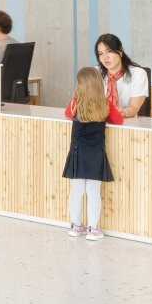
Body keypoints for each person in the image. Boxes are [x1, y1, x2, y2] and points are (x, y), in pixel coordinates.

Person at [61, 66, 115, 240]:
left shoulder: (74, 104)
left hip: (78, 153)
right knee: (93, 193)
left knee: (76, 191)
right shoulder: (106, 105)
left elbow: (67, 114)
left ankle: (76, 226)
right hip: (96, 154)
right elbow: (119, 120)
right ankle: (92, 229)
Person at [94, 32, 150, 124]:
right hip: (99, 123)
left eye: (109, 51)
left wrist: (124, 112)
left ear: (120, 52)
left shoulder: (138, 74)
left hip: (128, 125)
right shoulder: (95, 73)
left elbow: (134, 107)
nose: (105, 57)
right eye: (100, 54)